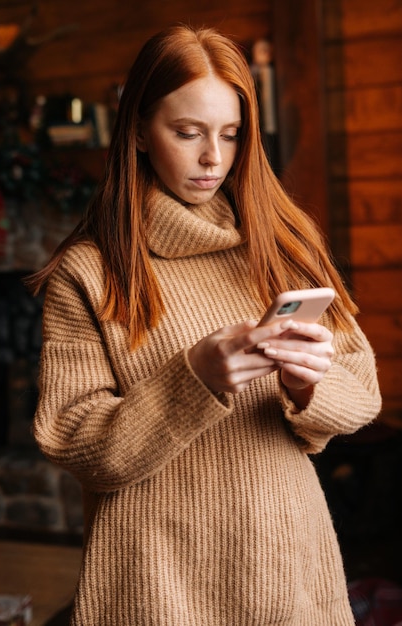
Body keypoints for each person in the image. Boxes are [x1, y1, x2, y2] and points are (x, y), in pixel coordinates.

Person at [29, 24, 381, 625]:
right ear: (138, 130)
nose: (213, 157)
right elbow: (74, 440)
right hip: (154, 578)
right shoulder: (89, 272)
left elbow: (363, 392)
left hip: (288, 562)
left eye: (230, 134)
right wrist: (191, 378)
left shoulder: (284, 246)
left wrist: (307, 385)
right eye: (188, 132)